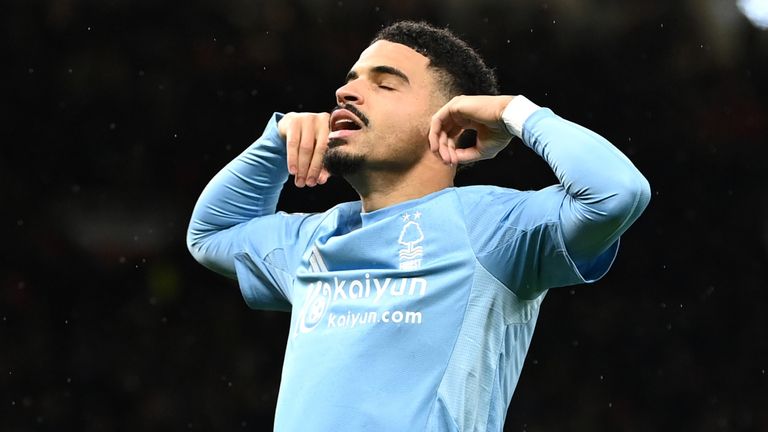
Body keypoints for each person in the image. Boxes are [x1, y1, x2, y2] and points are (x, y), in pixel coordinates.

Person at [187, 20, 650, 432]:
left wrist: (514, 112)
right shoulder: (312, 240)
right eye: (350, 82)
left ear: (454, 123)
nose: (345, 94)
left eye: (386, 85)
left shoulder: (492, 229)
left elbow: (617, 193)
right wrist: (276, 141)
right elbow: (210, 235)